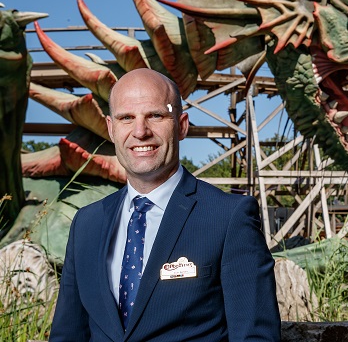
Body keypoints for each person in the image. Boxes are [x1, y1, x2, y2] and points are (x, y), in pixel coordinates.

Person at [49, 68, 281, 341]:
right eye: (126, 118)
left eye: (155, 115)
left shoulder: (228, 218)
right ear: (111, 129)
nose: (140, 132)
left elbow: (255, 336)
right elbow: (67, 334)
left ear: (181, 125)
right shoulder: (87, 223)